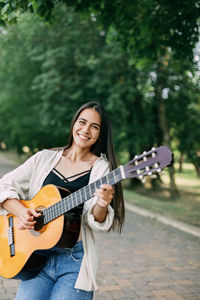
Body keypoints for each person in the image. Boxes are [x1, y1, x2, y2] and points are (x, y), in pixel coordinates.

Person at [0, 101, 125, 300]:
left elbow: (97, 220)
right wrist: (21, 212)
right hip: (36, 258)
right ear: (74, 123)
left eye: (95, 126)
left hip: (74, 262)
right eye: (82, 122)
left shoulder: (101, 169)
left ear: (101, 133)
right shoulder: (44, 158)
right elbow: (4, 185)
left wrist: (102, 204)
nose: (86, 130)